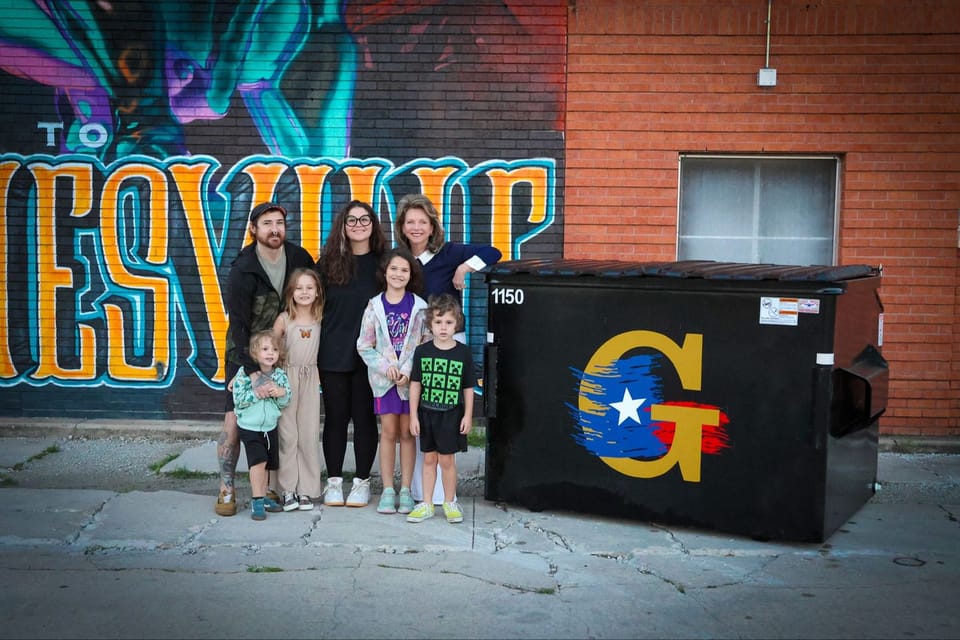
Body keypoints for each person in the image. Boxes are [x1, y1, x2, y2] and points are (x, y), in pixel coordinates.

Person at [394, 193, 501, 505]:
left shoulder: (449, 252)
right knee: (421, 416)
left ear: (432, 226)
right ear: (402, 226)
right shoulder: (399, 260)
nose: (416, 227)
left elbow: (493, 251)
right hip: (416, 344)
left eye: (422, 222)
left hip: (450, 342)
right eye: (410, 221)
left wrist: (464, 268)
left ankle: (446, 494)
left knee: (447, 414)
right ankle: (420, 492)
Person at [215, 201, 315, 517]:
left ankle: (269, 486)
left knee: (274, 419)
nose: (275, 229)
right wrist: (250, 371)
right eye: (267, 223)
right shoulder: (243, 268)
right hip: (244, 353)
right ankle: (227, 487)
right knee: (235, 420)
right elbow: (239, 324)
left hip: (282, 353)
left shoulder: (299, 258)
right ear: (253, 230)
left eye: (279, 223)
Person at [316, 200, 388, 508]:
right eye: (351, 220)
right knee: (334, 418)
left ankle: (361, 481)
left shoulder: (385, 263)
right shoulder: (328, 264)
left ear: (373, 224)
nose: (358, 225)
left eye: (364, 219)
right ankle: (333, 481)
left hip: (370, 355)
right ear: (342, 227)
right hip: (333, 350)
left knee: (364, 419)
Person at [356, 248, 429, 515]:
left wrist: (409, 370)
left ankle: (406, 490)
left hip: (410, 382)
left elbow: (425, 343)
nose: (399, 274)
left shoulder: (420, 307)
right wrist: (386, 367)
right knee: (388, 432)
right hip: (384, 382)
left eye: (404, 270)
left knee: (408, 433)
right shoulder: (374, 306)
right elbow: (364, 345)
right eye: (394, 269)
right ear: (385, 272)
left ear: (411, 275)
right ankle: (388, 489)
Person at [406, 294, 477, 524]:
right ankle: (426, 504)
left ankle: (449, 502)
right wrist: (413, 416)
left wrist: (467, 415)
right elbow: (415, 384)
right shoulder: (422, 351)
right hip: (427, 414)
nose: (443, 327)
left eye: (448, 322)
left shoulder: (463, 353)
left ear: (456, 323)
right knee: (428, 460)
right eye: (438, 322)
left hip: (451, 414)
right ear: (430, 323)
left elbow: (468, 387)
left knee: (447, 461)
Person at [273, 268, 324, 512]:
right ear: (291, 292)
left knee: (308, 433)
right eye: (299, 288)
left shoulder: (320, 316)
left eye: (309, 288)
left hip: (310, 378)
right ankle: (287, 488)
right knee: (288, 434)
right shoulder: (284, 319)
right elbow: (270, 348)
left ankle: (307, 489)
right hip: (286, 378)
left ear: (317, 292)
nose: (304, 292)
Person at [232, 331, 292, 521]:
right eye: (265, 349)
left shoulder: (280, 375)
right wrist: (257, 393)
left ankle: (264, 496)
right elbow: (239, 400)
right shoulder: (243, 374)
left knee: (266, 464)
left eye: (274, 349)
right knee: (258, 462)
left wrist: (280, 392)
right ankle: (257, 500)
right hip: (250, 427)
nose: (270, 353)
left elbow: (285, 401)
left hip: (269, 427)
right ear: (255, 353)